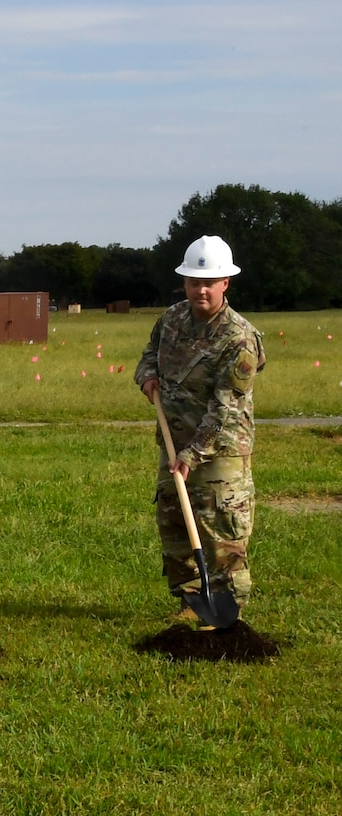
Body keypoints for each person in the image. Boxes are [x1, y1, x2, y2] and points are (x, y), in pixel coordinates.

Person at [134, 235, 265, 624]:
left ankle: (229, 610)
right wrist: (147, 377)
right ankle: (190, 603)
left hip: (220, 453)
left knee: (222, 530)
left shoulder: (239, 339)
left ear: (226, 283)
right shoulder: (172, 319)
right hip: (173, 443)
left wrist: (192, 455)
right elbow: (149, 355)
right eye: (194, 282)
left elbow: (226, 408)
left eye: (209, 282)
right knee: (175, 525)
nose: (201, 289)